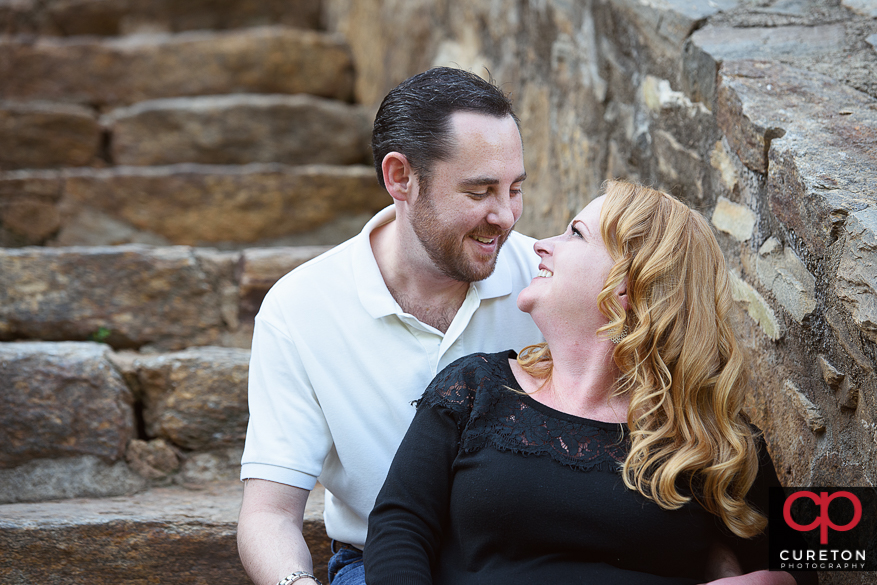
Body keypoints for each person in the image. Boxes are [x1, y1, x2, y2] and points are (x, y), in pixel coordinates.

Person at [364, 181, 818, 585]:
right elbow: (398, 527)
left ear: (628, 284)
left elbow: (830, 555)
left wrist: (770, 580)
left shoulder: (715, 435)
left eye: (575, 233)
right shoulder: (474, 386)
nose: (542, 244)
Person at [236, 67, 544, 585]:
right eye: (479, 192)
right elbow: (270, 512)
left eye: (514, 189)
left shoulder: (545, 279)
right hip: (372, 560)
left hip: (528, 559)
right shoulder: (300, 307)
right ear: (400, 178)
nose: (506, 216)